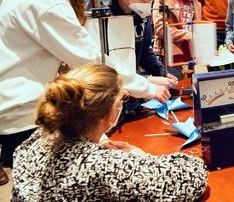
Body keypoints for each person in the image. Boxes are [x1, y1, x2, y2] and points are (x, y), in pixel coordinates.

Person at [0, 0, 170, 171]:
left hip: (20, 103)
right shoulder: (47, 1)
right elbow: (90, 58)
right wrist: (147, 87)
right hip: (22, 111)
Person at [11, 64, 208, 201]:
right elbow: (195, 174)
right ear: (108, 113)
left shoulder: (32, 144)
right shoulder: (102, 166)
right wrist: (139, 157)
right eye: (123, 98)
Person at [86, 0, 176, 85]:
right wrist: (146, 79)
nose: (146, 2)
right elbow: (102, 60)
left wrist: (162, 72)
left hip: (133, 80)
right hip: (107, 83)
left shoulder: (141, 9)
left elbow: (144, 49)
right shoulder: (101, 4)